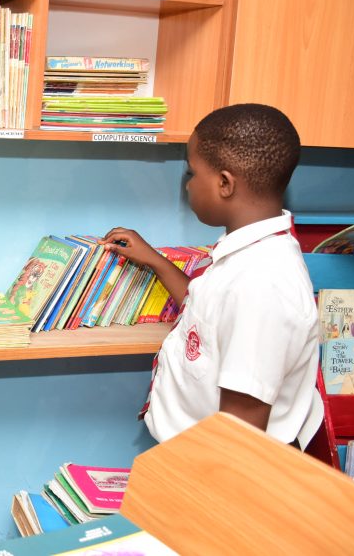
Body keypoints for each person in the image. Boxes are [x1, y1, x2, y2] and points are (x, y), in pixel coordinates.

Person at [103, 104, 323, 448]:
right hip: (190, 457)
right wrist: (156, 262)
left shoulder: (262, 284)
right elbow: (207, 309)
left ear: (224, 183)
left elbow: (239, 435)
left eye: (192, 173)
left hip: (214, 470)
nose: (188, 186)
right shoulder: (247, 255)